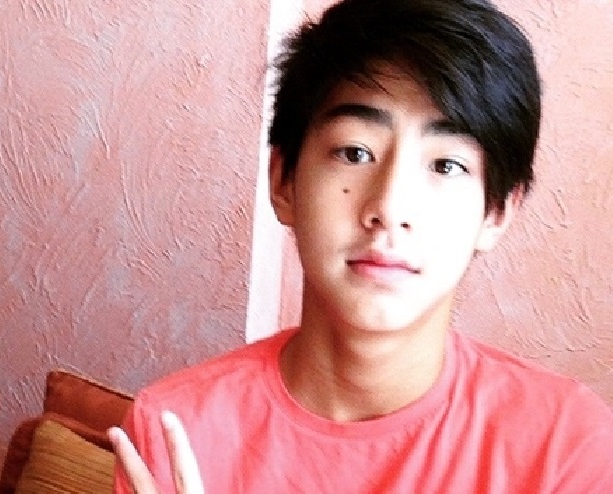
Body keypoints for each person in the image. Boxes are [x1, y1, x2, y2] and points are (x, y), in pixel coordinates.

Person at [109, 0, 613, 492]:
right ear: (283, 180)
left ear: (496, 211)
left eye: (446, 165)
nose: (390, 208)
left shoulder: (566, 447)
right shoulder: (176, 432)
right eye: (355, 153)